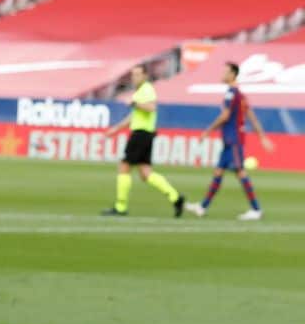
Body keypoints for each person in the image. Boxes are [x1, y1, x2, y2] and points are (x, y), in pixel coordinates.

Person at [186, 61, 273, 220]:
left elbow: (225, 116)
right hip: (230, 140)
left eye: (225, 72)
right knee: (218, 172)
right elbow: (251, 116)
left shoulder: (231, 94)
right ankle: (202, 206)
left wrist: (207, 131)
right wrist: (262, 137)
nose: (222, 74)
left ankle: (256, 209)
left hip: (233, 140)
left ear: (232, 74)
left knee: (240, 172)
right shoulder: (239, 94)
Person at [102, 64, 185, 217]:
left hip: (141, 134)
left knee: (124, 166)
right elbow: (135, 115)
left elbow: (152, 108)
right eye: (133, 75)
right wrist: (116, 129)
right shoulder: (141, 91)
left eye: (138, 74)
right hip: (145, 134)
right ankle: (175, 197)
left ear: (145, 76)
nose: (135, 78)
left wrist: (135, 103)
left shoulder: (147, 89)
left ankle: (120, 206)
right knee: (146, 173)